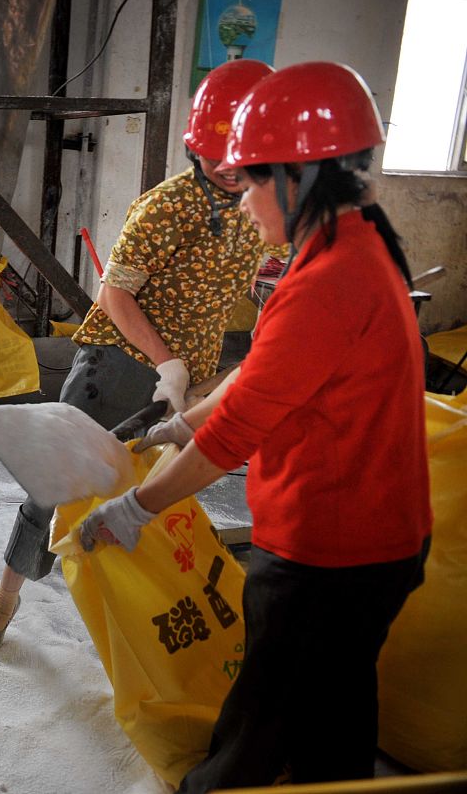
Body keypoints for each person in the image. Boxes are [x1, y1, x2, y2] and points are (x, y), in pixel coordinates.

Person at [79, 62, 431, 790]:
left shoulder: (329, 276)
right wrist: (182, 427)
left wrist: (136, 508)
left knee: (260, 722)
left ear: (302, 177)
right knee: (334, 709)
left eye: (252, 180)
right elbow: (262, 372)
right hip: (374, 537)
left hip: (328, 548)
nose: (241, 205)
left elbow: (238, 429)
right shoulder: (354, 241)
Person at [0, 59, 282, 658]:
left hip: (191, 373)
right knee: (54, 483)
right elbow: (115, 294)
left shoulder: (261, 205)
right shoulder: (166, 206)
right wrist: (166, 361)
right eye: (215, 155)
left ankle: (141, 615)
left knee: (160, 495)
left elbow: (252, 276)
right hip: (118, 364)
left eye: (239, 157)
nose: (227, 168)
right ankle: (5, 596)